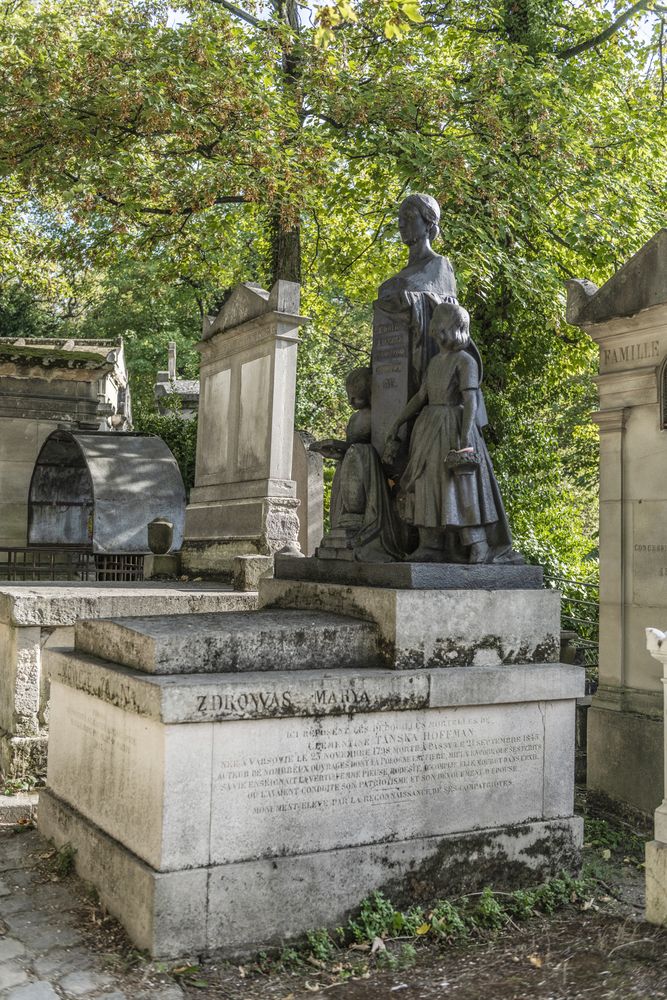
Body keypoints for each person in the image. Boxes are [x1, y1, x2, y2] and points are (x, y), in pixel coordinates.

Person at [383, 303, 517, 564]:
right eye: (435, 326)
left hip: (454, 427)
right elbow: (421, 396)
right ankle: (430, 544)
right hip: (430, 427)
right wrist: (397, 422)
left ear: (455, 329)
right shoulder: (434, 362)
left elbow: (471, 401)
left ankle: (477, 543)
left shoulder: (465, 361)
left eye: (441, 326)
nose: (436, 331)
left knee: (459, 487)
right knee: (426, 484)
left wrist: (466, 436)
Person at [310, 367, 401, 562]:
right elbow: (350, 444)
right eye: (349, 397)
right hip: (350, 460)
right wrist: (335, 451)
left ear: (368, 392)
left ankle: (361, 525)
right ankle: (346, 523)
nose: (351, 402)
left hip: (366, 462)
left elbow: (377, 443)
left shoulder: (377, 415)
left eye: (355, 397)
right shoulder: (354, 418)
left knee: (357, 453)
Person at [377, 193, 458, 395]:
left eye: (410, 217)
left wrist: (414, 299)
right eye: (400, 219)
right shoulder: (401, 275)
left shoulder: (439, 265)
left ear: (429, 224)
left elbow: (446, 311)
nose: (402, 224)